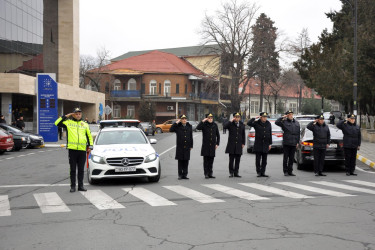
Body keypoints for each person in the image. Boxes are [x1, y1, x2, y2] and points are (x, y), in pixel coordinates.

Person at [55, 108, 93, 192]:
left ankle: (81, 186)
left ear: (81, 115)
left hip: (82, 150)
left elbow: (89, 136)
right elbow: (56, 123)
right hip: (72, 150)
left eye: (79, 114)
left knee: (81, 169)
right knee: (72, 169)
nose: (78, 115)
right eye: (76, 114)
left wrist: (90, 147)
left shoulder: (85, 124)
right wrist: (65, 116)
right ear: (73, 114)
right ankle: (72, 186)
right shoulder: (68, 122)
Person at [247, 112, 272, 177]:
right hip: (258, 144)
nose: (265, 118)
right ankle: (258, 172)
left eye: (266, 117)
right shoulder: (256, 123)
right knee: (258, 160)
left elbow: (270, 133)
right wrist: (254, 118)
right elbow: (248, 123)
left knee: (264, 160)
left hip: (266, 144)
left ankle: (263, 172)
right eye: (263, 117)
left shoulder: (268, 123)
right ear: (260, 117)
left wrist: (270, 143)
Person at [275, 110, 300, 176]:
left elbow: (298, 133)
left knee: (291, 158)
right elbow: (276, 122)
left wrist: (297, 142)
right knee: (286, 158)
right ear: (287, 116)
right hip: (287, 143)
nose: (291, 116)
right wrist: (283, 117)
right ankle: (285, 171)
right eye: (289, 114)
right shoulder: (284, 122)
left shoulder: (296, 123)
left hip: (294, 143)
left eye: (291, 114)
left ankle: (290, 171)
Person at [196, 113, 220, 179]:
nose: (210, 119)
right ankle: (206, 173)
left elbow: (218, 135)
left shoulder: (215, 125)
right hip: (205, 146)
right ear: (206, 118)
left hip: (212, 146)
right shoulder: (204, 125)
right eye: (209, 118)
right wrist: (203, 121)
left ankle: (210, 173)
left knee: (211, 161)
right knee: (206, 161)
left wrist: (217, 144)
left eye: (211, 118)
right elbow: (198, 128)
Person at [170, 115, 193, 180]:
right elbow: (171, 129)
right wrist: (176, 123)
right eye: (182, 119)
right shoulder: (178, 126)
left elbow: (191, 136)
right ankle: (180, 175)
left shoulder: (189, 126)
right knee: (180, 162)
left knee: (186, 161)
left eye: (185, 119)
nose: (184, 120)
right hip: (180, 147)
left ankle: (185, 175)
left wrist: (191, 145)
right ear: (180, 120)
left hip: (187, 146)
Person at [224, 112, 245, 178]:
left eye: (238, 117)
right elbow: (225, 126)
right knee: (231, 160)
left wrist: (243, 143)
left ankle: (236, 172)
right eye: (236, 117)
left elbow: (243, 134)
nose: (237, 118)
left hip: (239, 144)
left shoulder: (241, 124)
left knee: (238, 160)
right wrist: (230, 121)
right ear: (234, 117)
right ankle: (231, 172)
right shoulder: (231, 124)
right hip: (232, 145)